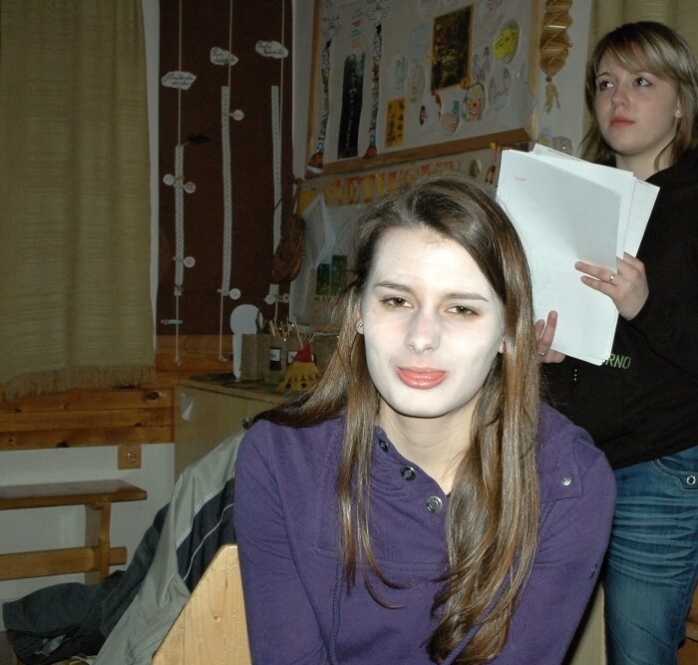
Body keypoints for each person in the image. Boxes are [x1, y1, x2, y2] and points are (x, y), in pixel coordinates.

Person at [234, 173, 615, 664]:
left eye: (461, 309)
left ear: (508, 331)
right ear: (358, 313)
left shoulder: (570, 480)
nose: (421, 337)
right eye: (397, 300)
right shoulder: (279, 457)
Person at [537, 21, 698, 665]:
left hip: (660, 467)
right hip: (567, 456)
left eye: (642, 81)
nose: (618, 98)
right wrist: (545, 355)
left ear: (681, 101)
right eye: (605, 84)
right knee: (530, 642)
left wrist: (645, 305)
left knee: (637, 655)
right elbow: (582, 346)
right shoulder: (575, 197)